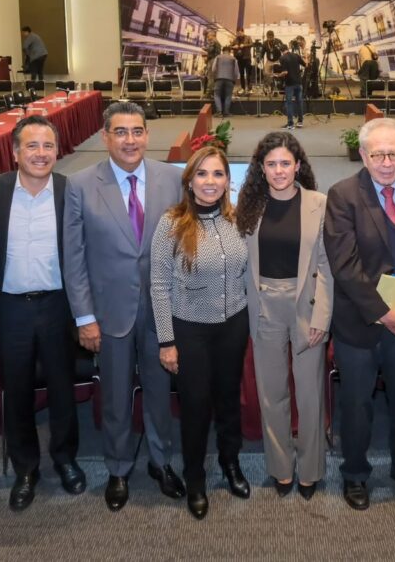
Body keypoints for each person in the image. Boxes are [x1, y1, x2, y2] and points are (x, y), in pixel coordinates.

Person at [63, 102, 185, 512]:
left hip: (162, 311)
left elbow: (188, 243)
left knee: (158, 391)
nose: (129, 140)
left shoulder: (173, 178)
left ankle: (161, 461)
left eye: (137, 131)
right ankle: (117, 469)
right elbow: (74, 257)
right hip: (108, 312)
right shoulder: (79, 184)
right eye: (120, 132)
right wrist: (84, 316)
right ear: (104, 137)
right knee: (115, 396)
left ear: (148, 135)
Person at [0, 116, 86, 512]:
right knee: (17, 391)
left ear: (58, 151)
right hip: (9, 309)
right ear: (14, 151)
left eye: (48, 146)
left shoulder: (70, 190)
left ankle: (65, 458)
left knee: (62, 388)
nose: (41, 154)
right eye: (32, 146)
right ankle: (26, 469)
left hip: (58, 306)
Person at [324, 117, 395, 512]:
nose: (387, 162)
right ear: (363, 154)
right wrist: (385, 314)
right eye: (378, 154)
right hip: (361, 322)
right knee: (357, 405)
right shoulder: (342, 195)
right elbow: (345, 266)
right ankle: (355, 474)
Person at [150, 145, 251, 520]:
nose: (211, 182)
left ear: (228, 181)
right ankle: (195, 478)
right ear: (189, 181)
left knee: (228, 400)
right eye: (203, 174)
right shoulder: (172, 223)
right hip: (189, 329)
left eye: (218, 174)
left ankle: (230, 463)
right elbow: (158, 284)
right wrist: (166, 341)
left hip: (233, 325)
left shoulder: (237, 219)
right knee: (195, 406)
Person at [236, 132, 334, 501]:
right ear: (261, 169)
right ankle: (280, 467)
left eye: (285, 163)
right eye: (271, 164)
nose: (279, 171)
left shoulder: (318, 204)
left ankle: (310, 469)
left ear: (298, 166)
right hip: (263, 308)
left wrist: (322, 317)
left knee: (309, 395)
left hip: (306, 306)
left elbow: (326, 266)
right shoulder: (249, 206)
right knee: (271, 394)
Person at [276, 41, 306, 130]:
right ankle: (300, 122)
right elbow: (305, 64)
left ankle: (290, 124)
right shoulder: (296, 55)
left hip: (290, 84)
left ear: (281, 51)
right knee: (299, 102)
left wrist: (277, 75)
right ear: (287, 49)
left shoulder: (282, 58)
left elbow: (285, 72)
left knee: (289, 103)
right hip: (299, 82)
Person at [210, 48, 240, 117]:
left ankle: (219, 112)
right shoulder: (233, 59)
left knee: (217, 95)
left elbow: (213, 69)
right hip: (230, 79)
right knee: (228, 96)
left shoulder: (217, 57)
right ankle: (226, 112)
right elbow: (236, 71)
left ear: (222, 51)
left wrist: (215, 75)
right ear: (230, 52)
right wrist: (235, 79)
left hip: (219, 78)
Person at [232, 27, 254, 94]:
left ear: (243, 32)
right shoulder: (235, 39)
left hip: (247, 58)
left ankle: (250, 89)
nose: (239, 34)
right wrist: (233, 47)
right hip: (239, 58)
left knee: (248, 74)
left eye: (240, 33)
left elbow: (252, 44)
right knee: (241, 74)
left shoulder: (248, 37)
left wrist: (244, 45)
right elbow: (230, 46)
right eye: (237, 33)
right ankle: (243, 88)